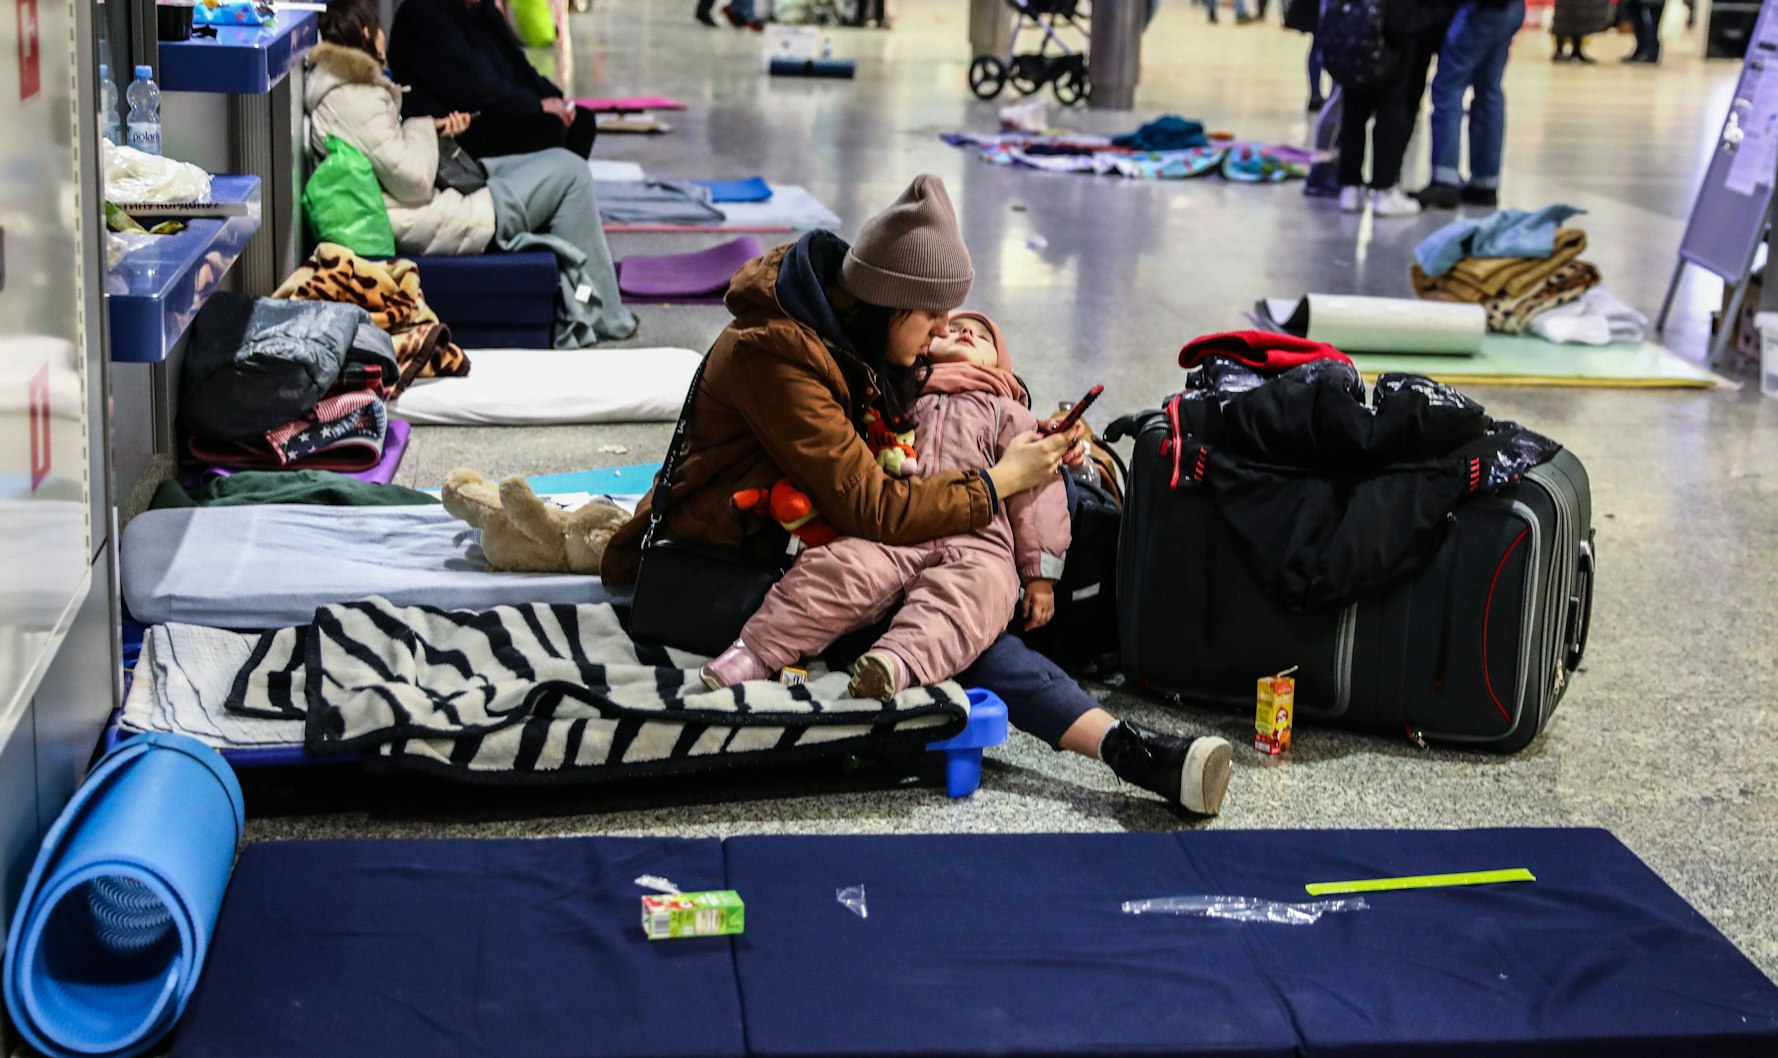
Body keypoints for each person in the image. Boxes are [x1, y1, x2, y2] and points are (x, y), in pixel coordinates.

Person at [601, 175, 1236, 816]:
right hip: (750, 554)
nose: (942, 328)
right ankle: (1127, 749)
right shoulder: (779, 358)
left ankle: (1127, 749)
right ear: (889, 304)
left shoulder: (852, 339)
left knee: (970, 599)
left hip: (827, 531)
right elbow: (876, 507)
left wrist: (1057, 451)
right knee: (971, 634)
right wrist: (1000, 481)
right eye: (934, 315)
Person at [702, 308, 1071, 702]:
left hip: (980, 539)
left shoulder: (1009, 412)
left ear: (1001, 365)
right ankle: (754, 652)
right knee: (837, 570)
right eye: (957, 327)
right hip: (898, 522)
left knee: (975, 597)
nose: (964, 332)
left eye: (982, 336)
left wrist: (1039, 574)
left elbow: (1038, 492)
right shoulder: (898, 392)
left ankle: (894, 664)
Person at [307, 0, 635, 346]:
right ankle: (606, 316)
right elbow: (414, 181)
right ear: (366, 35)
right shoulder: (356, 98)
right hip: (439, 215)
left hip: (440, 193)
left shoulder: (350, 92)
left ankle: (581, 301)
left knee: (560, 157)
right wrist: (424, 129)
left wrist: (429, 129)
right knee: (571, 172)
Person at [386, 0, 598, 159]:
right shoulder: (425, 12)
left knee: (580, 121)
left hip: (491, 110)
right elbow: (474, 86)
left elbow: (519, 65)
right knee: (546, 127)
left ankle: (558, 202)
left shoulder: (481, 10)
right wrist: (537, 106)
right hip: (456, 126)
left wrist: (554, 98)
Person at [1413, 0, 1526, 209]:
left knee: (1447, 88)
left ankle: (1445, 178)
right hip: (1511, 8)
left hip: (1479, 11)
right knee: (1489, 90)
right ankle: (1485, 182)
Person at [1326, 0, 1435, 217]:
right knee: (1392, 109)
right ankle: (1384, 189)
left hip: (1355, 25)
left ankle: (1350, 186)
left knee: (1354, 106)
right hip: (1395, 27)